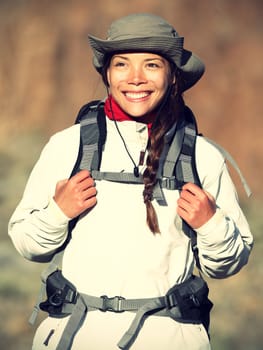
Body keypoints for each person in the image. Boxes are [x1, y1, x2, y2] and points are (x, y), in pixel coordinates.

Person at [8, 13, 253, 350]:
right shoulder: (68, 145)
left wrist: (211, 224)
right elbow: (27, 244)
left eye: (152, 65)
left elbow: (228, 264)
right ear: (107, 74)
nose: (135, 78)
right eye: (122, 64)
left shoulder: (202, 156)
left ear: (172, 77)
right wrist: (57, 212)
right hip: (76, 339)